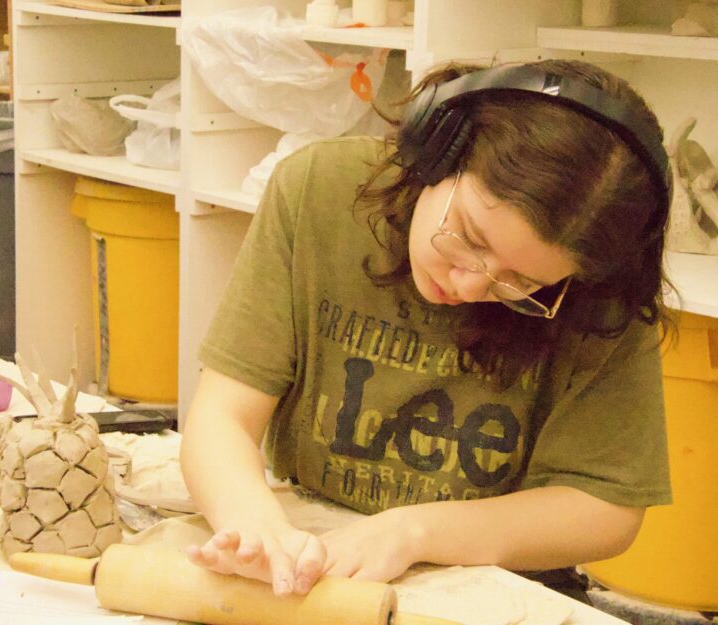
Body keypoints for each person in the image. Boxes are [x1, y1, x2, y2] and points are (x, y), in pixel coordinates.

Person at [180, 59, 673, 599]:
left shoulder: (597, 289)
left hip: (494, 585)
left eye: (522, 281)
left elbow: (605, 509)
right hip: (314, 543)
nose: (467, 283)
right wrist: (259, 531)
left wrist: (415, 532)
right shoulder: (317, 191)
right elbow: (222, 416)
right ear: (437, 149)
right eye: (468, 236)